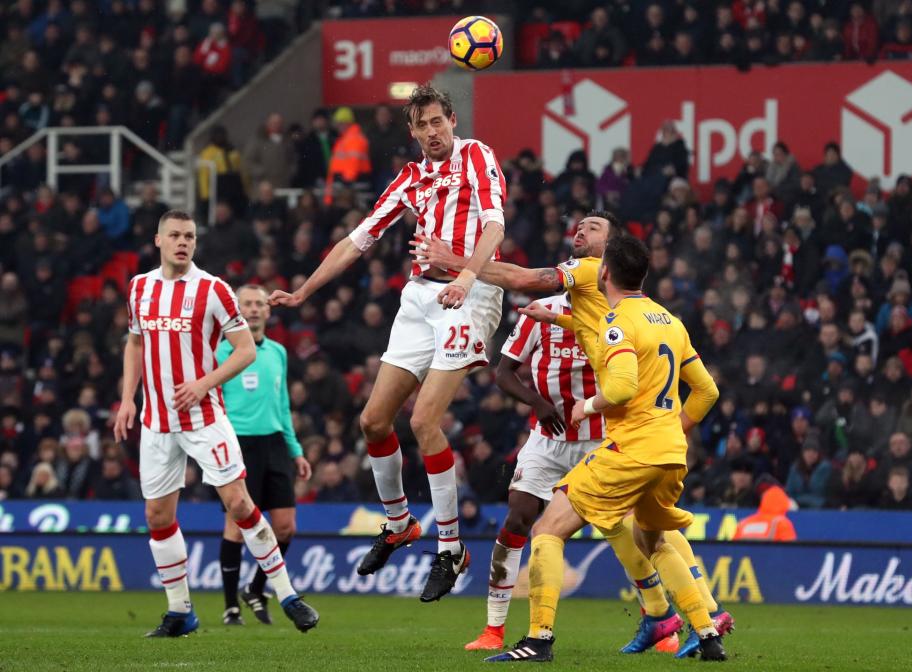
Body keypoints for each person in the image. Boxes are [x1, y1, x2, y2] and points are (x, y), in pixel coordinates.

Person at [416, 211, 733, 657]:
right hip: (630, 441)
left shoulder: (596, 288)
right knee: (649, 533)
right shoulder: (660, 318)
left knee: (556, 530)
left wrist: (459, 263)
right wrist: (556, 323)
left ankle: (542, 638)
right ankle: (702, 626)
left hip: (612, 434)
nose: (581, 231)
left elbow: (526, 279)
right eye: (579, 226)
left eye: (594, 228)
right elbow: (706, 390)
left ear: (609, 262)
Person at [269, 85, 506, 603]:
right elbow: (358, 240)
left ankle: (451, 549)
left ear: (451, 119)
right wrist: (305, 289)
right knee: (374, 421)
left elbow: (494, 225)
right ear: (413, 131)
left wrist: (466, 276)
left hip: (470, 293)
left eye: (437, 122)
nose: (431, 133)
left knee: (423, 420)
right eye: (421, 126)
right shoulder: (410, 176)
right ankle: (399, 525)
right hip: (420, 297)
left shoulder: (477, 155)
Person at [113, 210, 317, 637]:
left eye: (189, 236)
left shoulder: (214, 290)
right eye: (175, 235)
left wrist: (203, 384)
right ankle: (180, 612)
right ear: (158, 240)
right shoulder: (140, 288)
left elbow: (244, 350)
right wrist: (127, 398)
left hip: (205, 418)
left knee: (241, 505)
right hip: (157, 421)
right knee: (157, 515)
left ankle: (288, 596)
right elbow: (134, 343)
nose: (183, 242)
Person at [464, 293, 604, 651]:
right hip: (548, 437)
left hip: (599, 440)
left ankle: (661, 621)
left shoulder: (614, 311)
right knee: (517, 518)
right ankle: (493, 630)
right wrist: (538, 403)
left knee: (628, 527)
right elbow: (503, 372)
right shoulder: (544, 311)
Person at [217, 285, 313, 626]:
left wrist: (296, 451)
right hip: (237, 444)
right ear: (237, 310)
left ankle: (256, 588)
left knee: (285, 527)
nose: (255, 309)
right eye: (248, 304)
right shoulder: (220, 352)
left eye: (260, 304)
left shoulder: (278, 352)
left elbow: (282, 405)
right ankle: (230, 608)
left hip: (274, 444)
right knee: (236, 523)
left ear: (269, 311)